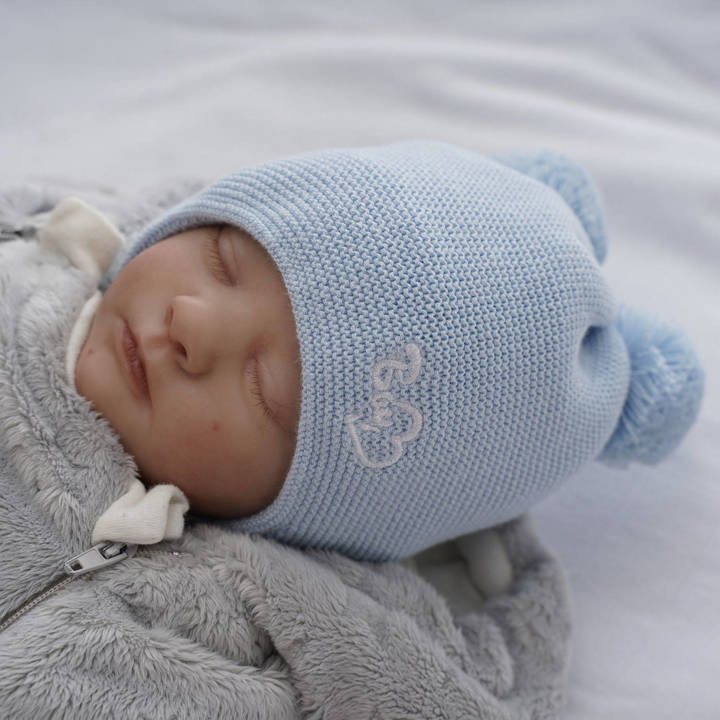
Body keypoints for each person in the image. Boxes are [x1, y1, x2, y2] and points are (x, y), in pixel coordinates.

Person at [71, 140, 704, 561]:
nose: (193, 324)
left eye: (265, 390)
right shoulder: (57, 238)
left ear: (308, 524)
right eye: (223, 260)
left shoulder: (207, 639)